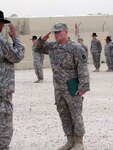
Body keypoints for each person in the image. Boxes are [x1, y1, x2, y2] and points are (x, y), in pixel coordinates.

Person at [35, 22, 90, 150]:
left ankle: (79, 142)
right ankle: (70, 140)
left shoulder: (75, 47)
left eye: (58, 31)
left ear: (66, 32)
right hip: (58, 88)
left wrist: (83, 87)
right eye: (54, 32)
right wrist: (44, 38)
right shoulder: (53, 46)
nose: (56, 34)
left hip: (72, 86)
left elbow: (82, 68)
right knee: (63, 114)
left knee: (76, 114)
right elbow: (37, 48)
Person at [0, 10, 25, 150]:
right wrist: (15, 37)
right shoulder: (2, 44)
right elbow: (18, 55)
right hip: (2, 93)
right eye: (2, 23)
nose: (3, 26)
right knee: (4, 129)